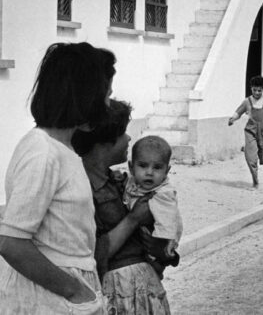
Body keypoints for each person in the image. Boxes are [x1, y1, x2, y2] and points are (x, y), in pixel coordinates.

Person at [0, 42, 114, 313]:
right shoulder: (43, 152)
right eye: (106, 94)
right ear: (85, 96)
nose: (108, 102)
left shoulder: (61, 148)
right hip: (47, 298)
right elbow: (12, 243)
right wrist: (74, 290)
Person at [75, 100, 172, 314]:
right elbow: (92, 252)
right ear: (105, 141)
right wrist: (134, 219)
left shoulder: (122, 182)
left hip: (144, 286)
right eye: (123, 133)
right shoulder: (80, 188)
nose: (128, 139)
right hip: (117, 290)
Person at [124, 136, 182, 274]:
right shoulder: (133, 182)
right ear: (131, 168)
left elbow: (166, 223)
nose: (149, 172)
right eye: (143, 166)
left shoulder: (163, 193)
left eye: (157, 167)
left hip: (157, 240)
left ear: (166, 171)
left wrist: (160, 250)